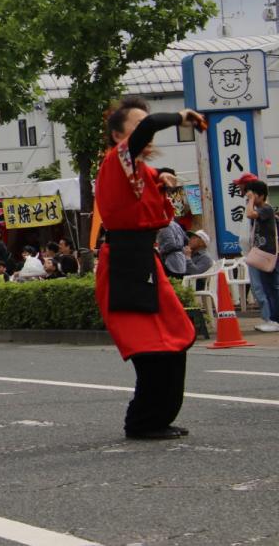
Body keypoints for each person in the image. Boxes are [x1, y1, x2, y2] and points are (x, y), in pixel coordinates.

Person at [95, 97, 201, 439]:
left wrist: (165, 177)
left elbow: (155, 176)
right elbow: (146, 136)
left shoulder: (137, 169)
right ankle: (142, 421)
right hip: (125, 261)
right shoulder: (116, 160)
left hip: (142, 258)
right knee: (152, 349)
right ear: (117, 135)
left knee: (174, 342)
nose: (147, 129)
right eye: (138, 124)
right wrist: (182, 115)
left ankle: (158, 418)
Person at [243, 179, 279, 332]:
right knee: (266, 287)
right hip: (262, 254)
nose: (248, 198)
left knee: (272, 287)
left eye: (252, 195)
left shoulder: (266, 209)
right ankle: (271, 319)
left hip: (268, 255)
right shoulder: (264, 210)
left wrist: (250, 200)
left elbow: (250, 214)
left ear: (261, 195)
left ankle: (274, 320)